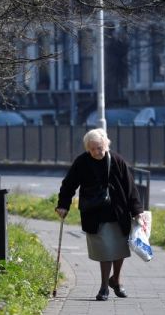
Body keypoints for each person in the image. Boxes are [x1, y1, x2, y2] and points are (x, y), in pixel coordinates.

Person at [55, 128, 143, 301]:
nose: (97, 151)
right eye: (93, 148)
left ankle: (116, 280)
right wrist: (63, 205)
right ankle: (104, 287)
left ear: (106, 145)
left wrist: (137, 211)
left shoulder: (117, 160)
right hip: (95, 214)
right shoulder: (82, 162)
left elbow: (130, 187)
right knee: (105, 250)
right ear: (88, 148)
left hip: (118, 212)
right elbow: (68, 185)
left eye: (100, 147)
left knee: (120, 250)